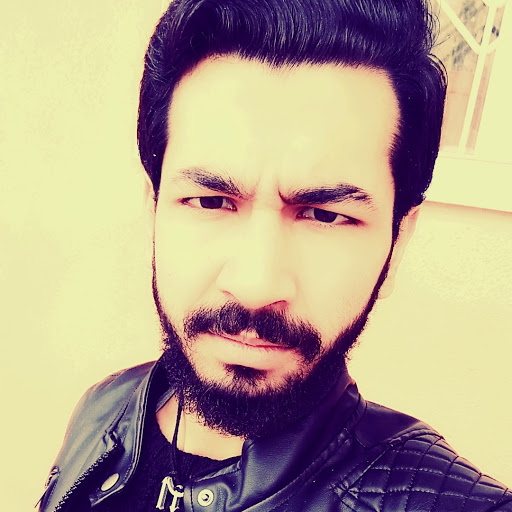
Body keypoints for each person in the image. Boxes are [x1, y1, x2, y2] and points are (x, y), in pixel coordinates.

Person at [38, 0, 511, 511]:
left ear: (396, 244)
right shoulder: (102, 411)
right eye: (210, 201)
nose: (256, 285)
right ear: (155, 209)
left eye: (325, 215)